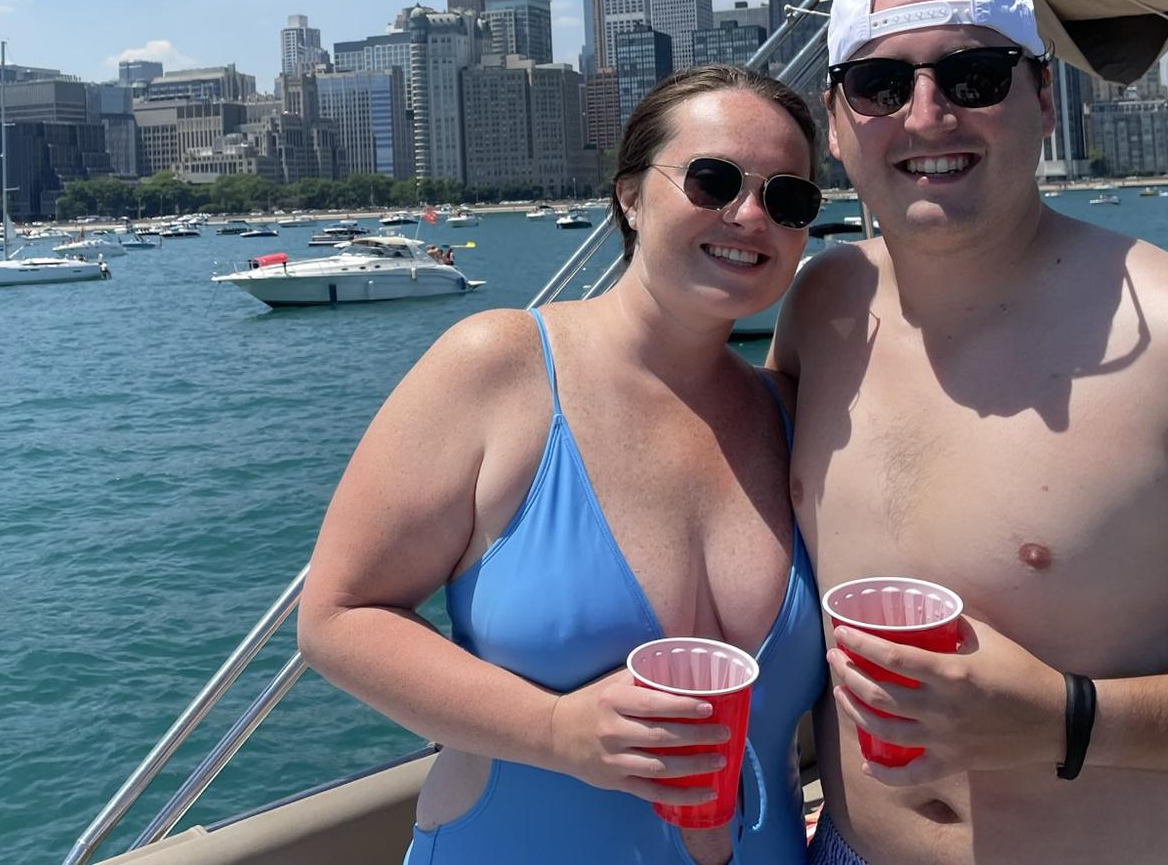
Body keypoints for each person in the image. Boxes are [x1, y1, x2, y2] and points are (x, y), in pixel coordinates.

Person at [299, 64, 829, 863]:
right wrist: (554, 730)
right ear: (628, 196)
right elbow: (336, 619)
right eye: (712, 179)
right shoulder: (501, 366)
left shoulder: (795, 415)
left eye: (787, 198)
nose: (750, 214)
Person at [772, 0, 1168, 865]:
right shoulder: (820, 309)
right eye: (879, 85)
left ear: (1044, 98)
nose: (928, 115)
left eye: (973, 73)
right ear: (838, 127)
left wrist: (1070, 720)